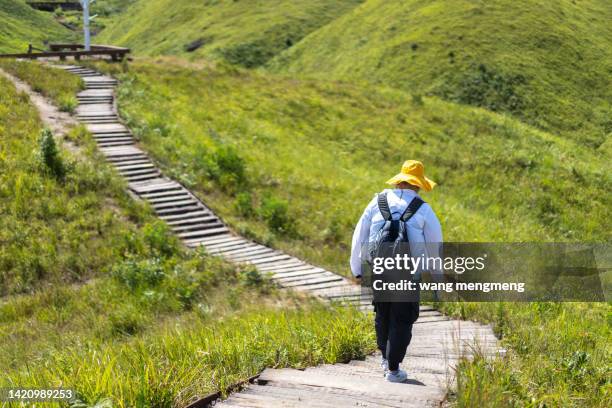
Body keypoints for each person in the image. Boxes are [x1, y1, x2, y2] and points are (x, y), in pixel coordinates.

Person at [350, 160, 443, 383]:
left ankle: (385, 359)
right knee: (402, 318)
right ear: (418, 185)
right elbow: (435, 246)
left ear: (399, 181)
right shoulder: (423, 209)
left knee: (382, 313)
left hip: (380, 267)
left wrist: (357, 268)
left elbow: (359, 236)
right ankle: (393, 370)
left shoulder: (377, 202)